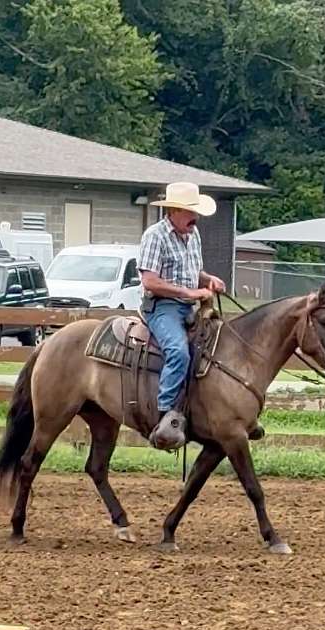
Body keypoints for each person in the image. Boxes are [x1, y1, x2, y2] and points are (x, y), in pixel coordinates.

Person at [137, 182, 226, 449]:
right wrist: (188, 293)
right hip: (162, 307)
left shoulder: (193, 234)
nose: (195, 218)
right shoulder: (155, 236)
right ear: (174, 210)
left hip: (189, 306)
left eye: (195, 212)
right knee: (178, 351)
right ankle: (165, 416)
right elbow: (150, 281)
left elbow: (193, 270)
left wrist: (209, 279)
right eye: (190, 212)